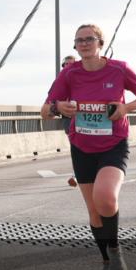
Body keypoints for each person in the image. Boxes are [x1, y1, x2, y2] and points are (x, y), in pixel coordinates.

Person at [42, 24, 136, 270]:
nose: (83, 44)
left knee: (105, 198)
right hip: (82, 148)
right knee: (94, 212)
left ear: (100, 42)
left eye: (89, 39)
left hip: (113, 144)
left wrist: (126, 107)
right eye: (79, 40)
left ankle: (114, 248)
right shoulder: (70, 73)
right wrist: (58, 107)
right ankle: (107, 262)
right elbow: (45, 111)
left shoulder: (119, 68)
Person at [59, 55, 79, 188]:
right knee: (75, 147)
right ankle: (76, 175)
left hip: (84, 118)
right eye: (65, 64)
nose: (67, 66)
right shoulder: (60, 81)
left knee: (88, 147)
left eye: (70, 64)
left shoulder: (85, 80)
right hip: (68, 118)